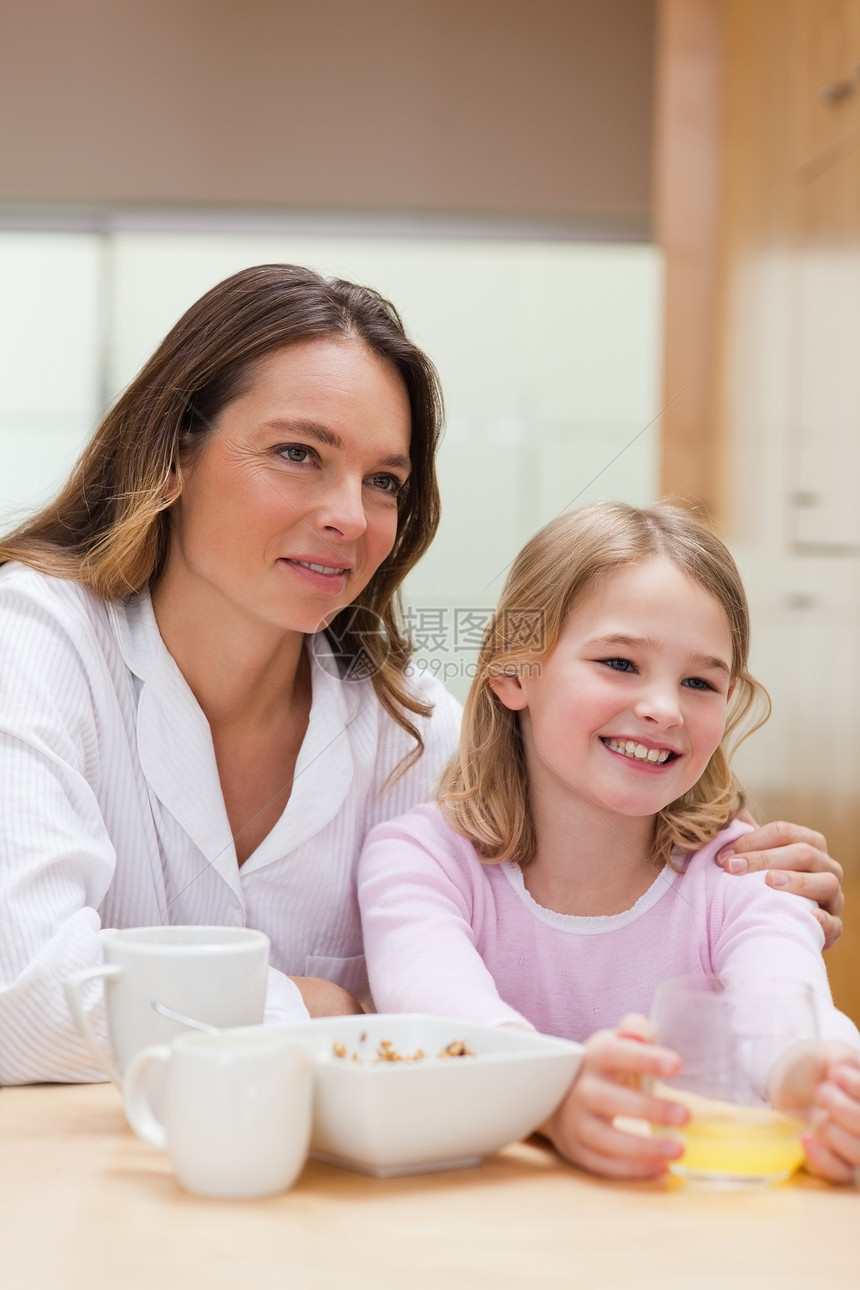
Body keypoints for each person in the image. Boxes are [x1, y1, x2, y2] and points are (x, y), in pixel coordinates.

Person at [0, 266, 844, 1085]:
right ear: (171, 456)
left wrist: (762, 900)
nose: (347, 516)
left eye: (383, 482)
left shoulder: (415, 738)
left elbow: (568, 900)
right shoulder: (35, 641)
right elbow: (22, 997)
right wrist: (313, 1006)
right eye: (298, 453)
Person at [358, 502, 860, 1184]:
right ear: (513, 672)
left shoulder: (743, 872)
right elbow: (440, 1008)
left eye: (700, 682)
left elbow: (783, 999)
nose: (664, 708)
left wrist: (816, 1082)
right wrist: (553, 1093)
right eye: (620, 662)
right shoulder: (420, 862)